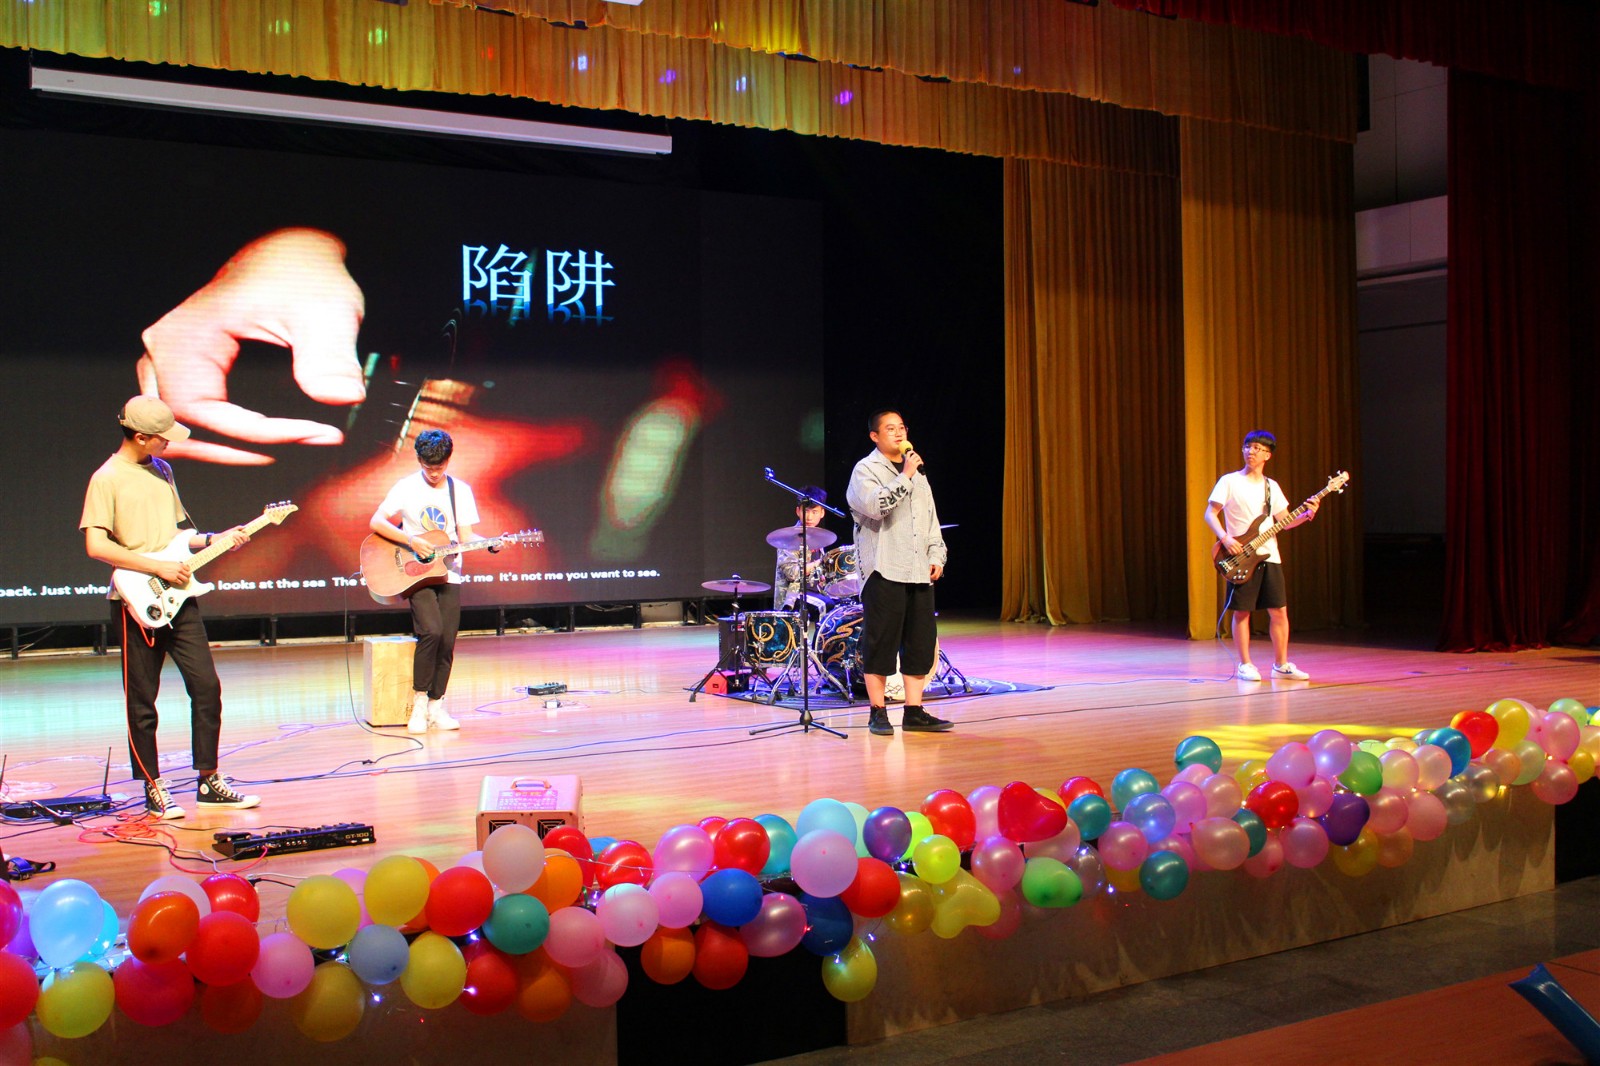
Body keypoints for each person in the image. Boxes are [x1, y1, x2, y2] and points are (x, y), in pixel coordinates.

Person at [81, 396, 262, 819]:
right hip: (135, 600)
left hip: (179, 597)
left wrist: (216, 538)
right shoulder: (106, 478)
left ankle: (209, 780)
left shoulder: (163, 470)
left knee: (207, 687)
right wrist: (156, 566)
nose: (169, 444)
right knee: (142, 700)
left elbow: (177, 537)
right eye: (162, 438)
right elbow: (96, 545)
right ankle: (152, 785)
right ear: (140, 437)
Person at [369, 429, 495, 733]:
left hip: (450, 572)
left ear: (448, 461)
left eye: (439, 467)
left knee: (447, 640)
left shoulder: (460, 491)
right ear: (419, 460)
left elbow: (466, 537)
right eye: (428, 467)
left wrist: (491, 543)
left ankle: (437, 707)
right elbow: (377, 521)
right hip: (416, 572)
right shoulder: (406, 486)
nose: (434, 473)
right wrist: (412, 540)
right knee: (431, 632)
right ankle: (419, 703)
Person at [846, 410, 952, 736]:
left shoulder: (917, 473)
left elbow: (930, 520)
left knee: (920, 642)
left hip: (918, 571)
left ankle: (914, 711)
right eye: (890, 428)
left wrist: (937, 555)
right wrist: (905, 475)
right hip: (884, 569)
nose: (898, 433)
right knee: (881, 643)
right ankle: (877, 711)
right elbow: (877, 506)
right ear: (874, 436)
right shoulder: (866, 470)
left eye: (902, 427)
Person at [1204, 430, 1320, 682]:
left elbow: (1284, 521)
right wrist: (1225, 538)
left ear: (1267, 455)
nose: (1251, 451)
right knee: (1241, 612)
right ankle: (1245, 664)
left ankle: (1281, 664)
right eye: (1248, 446)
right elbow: (1210, 513)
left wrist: (1306, 515)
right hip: (1240, 556)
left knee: (1279, 611)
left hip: (1269, 556)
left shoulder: (1271, 486)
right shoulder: (1229, 481)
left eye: (1257, 448)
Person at [773, 487, 828, 612]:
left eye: (814, 512)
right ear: (798, 511)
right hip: (793, 597)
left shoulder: (820, 537)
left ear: (822, 513)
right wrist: (819, 563)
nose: (809, 517)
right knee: (826, 606)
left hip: (817, 592)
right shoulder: (789, 538)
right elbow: (792, 574)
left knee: (845, 608)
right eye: (806, 511)